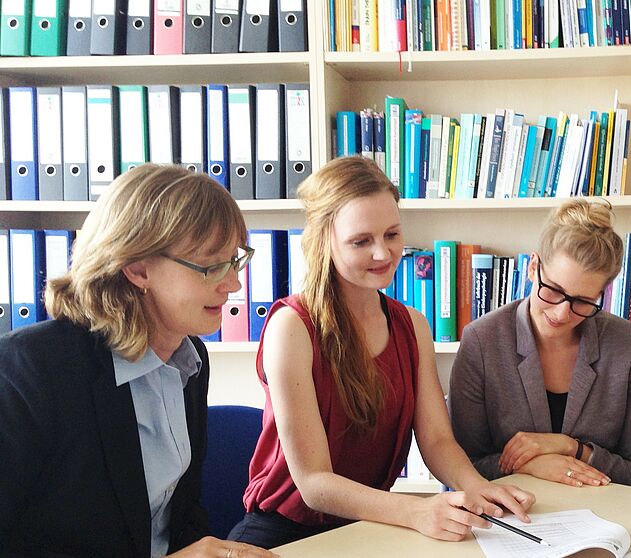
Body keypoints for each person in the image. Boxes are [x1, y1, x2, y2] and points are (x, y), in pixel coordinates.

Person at [228, 157, 535, 549]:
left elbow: (438, 441)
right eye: (361, 241)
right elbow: (313, 485)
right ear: (325, 241)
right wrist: (417, 511)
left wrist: (477, 487)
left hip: (370, 526)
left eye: (391, 235)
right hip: (286, 534)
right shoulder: (292, 327)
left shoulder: (412, 324)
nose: (382, 254)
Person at [0, 164, 275, 558]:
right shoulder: (28, 372)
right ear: (138, 268)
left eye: (234, 260)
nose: (233, 284)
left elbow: (176, 520)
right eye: (211, 265)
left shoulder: (189, 359)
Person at [449, 199, 631, 491]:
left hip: (605, 518)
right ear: (533, 267)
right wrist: (528, 466)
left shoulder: (629, 345)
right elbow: (460, 467)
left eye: (583, 301)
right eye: (554, 290)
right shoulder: (482, 341)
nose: (562, 313)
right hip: (509, 517)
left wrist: (572, 449)